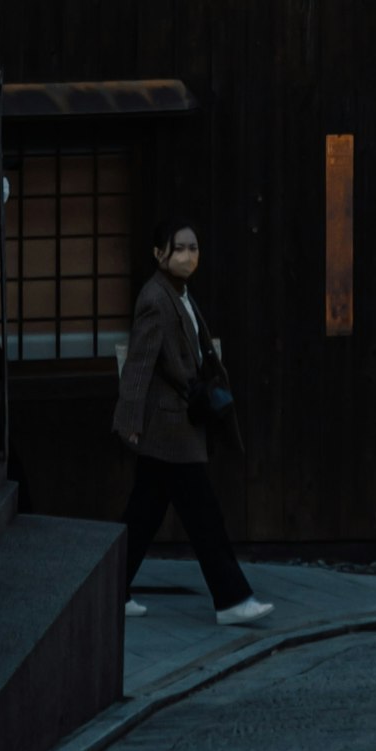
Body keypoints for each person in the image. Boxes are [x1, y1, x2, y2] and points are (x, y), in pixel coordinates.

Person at [112, 224, 268, 620]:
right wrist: (129, 419)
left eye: (193, 248)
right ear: (159, 253)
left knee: (144, 513)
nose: (187, 256)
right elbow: (139, 365)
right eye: (178, 248)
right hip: (169, 427)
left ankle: (111, 588)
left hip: (177, 425)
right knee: (203, 516)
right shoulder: (155, 299)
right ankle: (232, 600)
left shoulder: (179, 295)